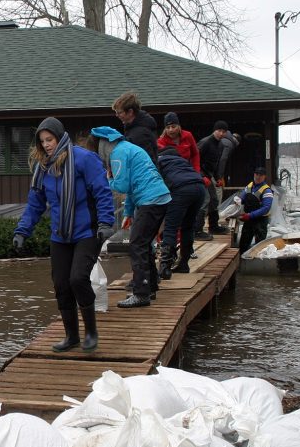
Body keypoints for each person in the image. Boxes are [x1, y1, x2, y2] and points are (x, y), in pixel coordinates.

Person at [13, 117, 116, 353]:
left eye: (49, 139)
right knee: (61, 284)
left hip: (88, 232)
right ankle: (71, 337)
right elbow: (35, 204)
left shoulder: (84, 159)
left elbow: (102, 192)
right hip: (60, 235)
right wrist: (22, 230)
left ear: (60, 137)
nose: (46, 145)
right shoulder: (43, 168)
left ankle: (91, 332)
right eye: (42, 141)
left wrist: (106, 222)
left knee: (78, 279)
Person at [86, 126, 170, 308]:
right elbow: (132, 185)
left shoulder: (117, 154)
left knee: (136, 244)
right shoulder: (128, 148)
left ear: (102, 145)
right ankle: (151, 287)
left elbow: (122, 185)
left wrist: (106, 179)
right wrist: (128, 213)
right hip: (159, 198)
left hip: (150, 200)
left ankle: (140, 294)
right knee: (144, 243)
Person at [155, 147, 206, 279]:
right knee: (188, 227)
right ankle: (184, 264)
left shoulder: (159, 161)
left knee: (171, 228)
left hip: (180, 189)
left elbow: (156, 184)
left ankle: (165, 268)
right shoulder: (183, 162)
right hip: (200, 189)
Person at [195, 120, 238, 239]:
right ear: (214, 130)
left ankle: (213, 226)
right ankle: (197, 230)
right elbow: (194, 160)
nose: (221, 133)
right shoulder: (205, 143)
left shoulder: (220, 145)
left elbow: (215, 163)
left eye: (223, 132)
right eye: (219, 131)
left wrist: (218, 177)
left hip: (209, 175)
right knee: (205, 200)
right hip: (199, 175)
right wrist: (202, 176)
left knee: (214, 200)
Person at [112, 91, 158, 164]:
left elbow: (146, 162)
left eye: (119, 112)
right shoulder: (133, 128)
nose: (117, 115)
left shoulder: (140, 134)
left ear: (130, 112)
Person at [237, 167, 274, 252]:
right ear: (254, 174)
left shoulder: (267, 191)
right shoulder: (249, 186)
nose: (258, 177)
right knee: (243, 245)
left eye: (261, 175)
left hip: (260, 221)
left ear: (264, 177)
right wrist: (239, 201)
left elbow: (266, 208)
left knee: (259, 247)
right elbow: (242, 198)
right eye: (256, 174)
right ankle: (242, 260)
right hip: (248, 220)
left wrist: (250, 215)